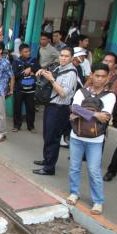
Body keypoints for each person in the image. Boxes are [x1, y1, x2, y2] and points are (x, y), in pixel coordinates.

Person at [67, 63, 115, 215]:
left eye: (103, 76)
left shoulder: (110, 96)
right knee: (74, 167)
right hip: (76, 136)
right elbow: (74, 108)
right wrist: (95, 114)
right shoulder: (81, 92)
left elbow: (105, 117)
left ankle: (98, 201)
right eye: (97, 75)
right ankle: (74, 192)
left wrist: (81, 112)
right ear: (91, 75)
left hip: (95, 140)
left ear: (108, 78)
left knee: (94, 170)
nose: (99, 79)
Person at [33, 47, 79, 175]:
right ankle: (47, 160)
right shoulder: (59, 67)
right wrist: (43, 71)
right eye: (62, 55)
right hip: (51, 106)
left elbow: (63, 93)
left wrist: (51, 80)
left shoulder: (71, 73)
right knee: (47, 135)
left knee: (53, 138)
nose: (63, 58)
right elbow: (49, 73)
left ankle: (49, 168)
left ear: (71, 58)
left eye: (66, 56)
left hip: (60, 109)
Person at [86, 52, 117, 128]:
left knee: (98, 130)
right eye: (105, 60)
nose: (107, 63)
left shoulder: (116, 80)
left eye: (110, 61)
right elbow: (85, 88)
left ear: (115, 65)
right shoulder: (94, 74)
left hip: (102, 108)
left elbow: (112, 95)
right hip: (87, 105)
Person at [12, 43, 40, 132]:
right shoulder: (16, 62)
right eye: (25, 52)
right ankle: (16, 125)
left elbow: (39, 69)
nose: (28, 53)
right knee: (17, 108)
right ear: (21, 52)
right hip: (19, 90)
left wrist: (31, 69)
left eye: (28, 51)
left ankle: (31, 126)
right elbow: (14, 75)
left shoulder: (34, 60)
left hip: (31, 90)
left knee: (31, 109)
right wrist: (24, 72)